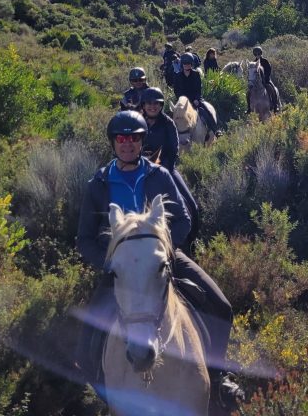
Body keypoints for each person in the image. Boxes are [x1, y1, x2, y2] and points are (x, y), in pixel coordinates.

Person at [75, 110, 243, 409]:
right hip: (121, 267)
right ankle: (104, 388)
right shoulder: (98, 184)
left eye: (135, 138)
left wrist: (165, 250)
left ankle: (217, 378)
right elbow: (84, 239)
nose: (128, 144)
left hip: (162, 256)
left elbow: (183, 220)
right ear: (113, 143)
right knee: (85, 340)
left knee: (220, 306)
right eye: (122, 138)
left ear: (142, 142)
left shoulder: (159, 176)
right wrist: (111, 264)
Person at [138, 87, 200, 248]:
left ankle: (192, 241)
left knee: (192, 206)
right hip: (138, 170)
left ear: (161, 105)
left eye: (157, 104)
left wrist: (162, 168)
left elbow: (173, 151)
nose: (153, 106)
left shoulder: (168, 124)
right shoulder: (137, 121)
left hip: (166, 170)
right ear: (143, 105)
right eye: (149, 103)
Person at [173, 52, 221, 137]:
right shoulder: (178, 76)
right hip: (182, 101)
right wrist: (182, 101)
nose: (187, 65)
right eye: (185, 64)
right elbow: (177, 91)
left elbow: (198, 89)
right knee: (173, 114)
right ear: (182, 64)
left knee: (206, 110)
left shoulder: (196, 74)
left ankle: (215, 129)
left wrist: (196, 99)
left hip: (195, 99)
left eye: (188, 64)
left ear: (191, 64)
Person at [250, 46, 280, 113]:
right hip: (256, 82)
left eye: (258, 54)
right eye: (255, 54)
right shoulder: (254, 63)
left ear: (261, 54)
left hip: (266, 80)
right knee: (248, 92)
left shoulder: (265, 61)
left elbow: (269, 70)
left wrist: (265, 78)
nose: (257, 55)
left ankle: (275, 106)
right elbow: (252, 73)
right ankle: (249, 108)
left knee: (273, 89)